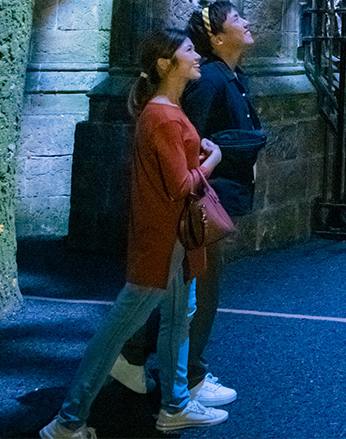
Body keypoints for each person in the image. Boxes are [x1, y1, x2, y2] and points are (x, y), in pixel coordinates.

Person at [41, 29, 229, 438]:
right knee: (117, 333)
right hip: (164, 241)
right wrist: (212, 158)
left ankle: (175, 405)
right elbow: (181, 185)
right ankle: (67, 423)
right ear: (165, 64)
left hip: (174, 240)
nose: (197, 56)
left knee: (178, 319)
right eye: (188, 51)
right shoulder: (162, 115)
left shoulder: (165, 111)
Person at [113, 1, 263, 408]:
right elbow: (186, 139)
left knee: (183, 288)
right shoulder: (210, 80)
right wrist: (211, 163)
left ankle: (135, 358)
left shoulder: (232, 76)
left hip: (216, 190)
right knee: (197, 286)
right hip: (202, 194)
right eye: (236, 19)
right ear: (216, 37)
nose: (246, 22)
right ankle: (184, 375)